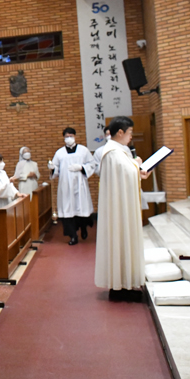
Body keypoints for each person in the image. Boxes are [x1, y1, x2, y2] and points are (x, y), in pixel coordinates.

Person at [95, 116, 151, 300]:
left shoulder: (120, 150)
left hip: (122, 206)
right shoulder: (112, 152)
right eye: (130, 133)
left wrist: (138, 170)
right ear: (120, 132)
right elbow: (126, 173)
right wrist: (138, 166)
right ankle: (120, 288)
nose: (131, 137)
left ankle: (126, 284)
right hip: (119, 211)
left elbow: (127, 173)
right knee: (120, 240)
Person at [50, 127, 96, 246]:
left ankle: (83, 228)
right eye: (66, 136)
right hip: (65, 186)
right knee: (68, 210)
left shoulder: (83, 150)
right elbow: (56, 168)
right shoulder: (59, 152)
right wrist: (52, 168)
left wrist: (82, 168)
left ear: (75, 136)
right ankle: (73, 236)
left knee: (81, 208)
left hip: (80, 184)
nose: (68, 138)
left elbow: (92, 164)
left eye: (71, 136)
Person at [0, 153, 27, 232]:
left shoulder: (3, 172)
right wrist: (9, 181)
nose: (2, 163)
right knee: (0, 225)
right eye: (0, 161)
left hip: (6, 202)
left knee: (8, 224)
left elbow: (10, 186)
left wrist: (17, 193)